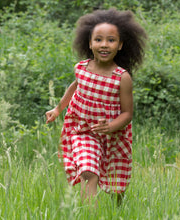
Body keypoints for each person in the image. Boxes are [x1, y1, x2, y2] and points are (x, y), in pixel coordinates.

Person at [46, 8, 147, 205]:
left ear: (120, 45)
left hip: (114, 135)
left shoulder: (122, 77)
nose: (104, 44)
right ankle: (90, 214)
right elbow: (74, 88)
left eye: (111, 40)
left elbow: (128, 113)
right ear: (90, 43)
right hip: (84, 130)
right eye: (98, 39)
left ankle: (118, 208)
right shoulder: (82, 68)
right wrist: (58, 108)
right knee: (87, 171)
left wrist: (110, 126)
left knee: (115, 184)